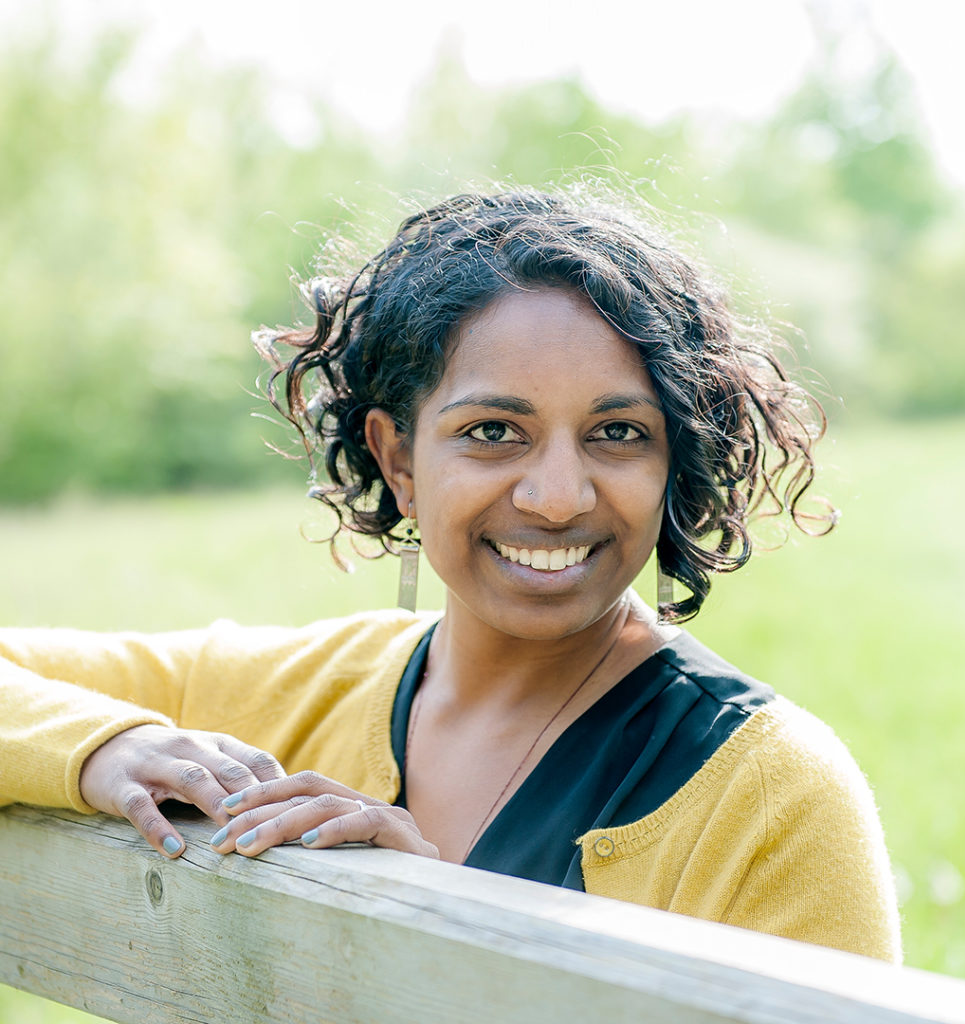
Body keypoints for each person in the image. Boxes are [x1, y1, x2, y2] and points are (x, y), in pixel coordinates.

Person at [0, 189, 901, 962]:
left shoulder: (776, 797)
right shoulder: (302, 690)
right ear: (398, 460)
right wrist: (105, 749)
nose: (556, 497)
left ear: (676, 459)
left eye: (617, 432)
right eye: (493, 431)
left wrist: (438, 946)